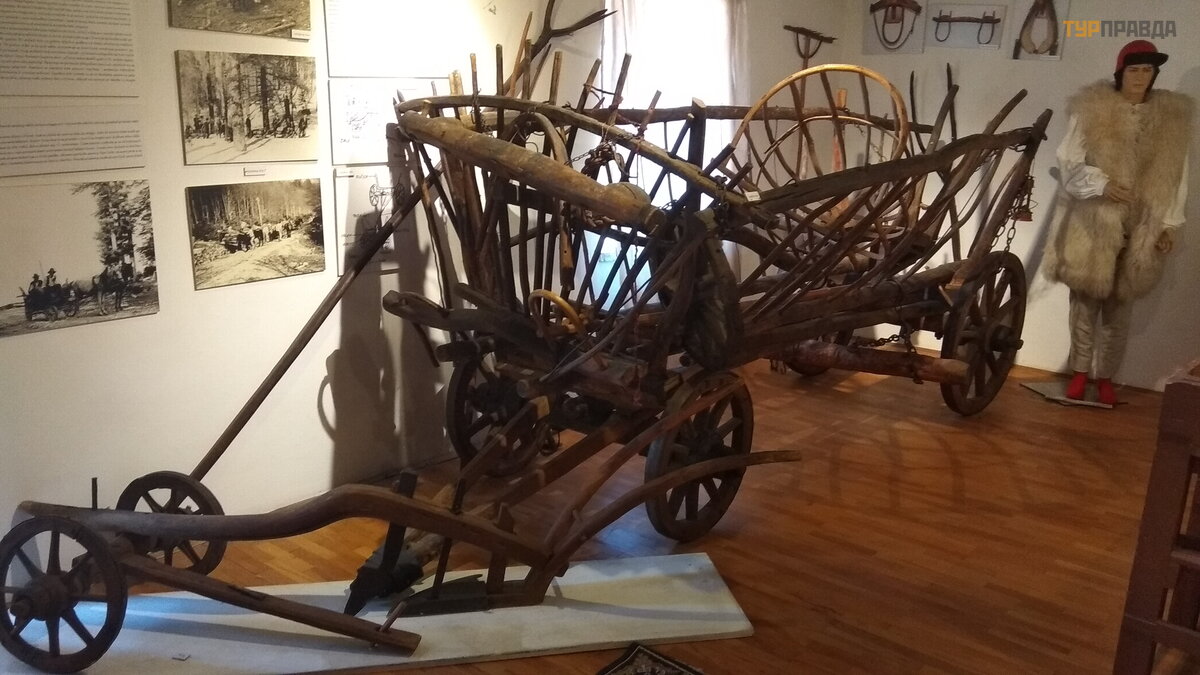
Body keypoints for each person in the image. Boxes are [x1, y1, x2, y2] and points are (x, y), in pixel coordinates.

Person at [1043, 40, 1193, 405]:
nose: (1141, 77)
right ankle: (1080, 373)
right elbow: (1069, 161)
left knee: (1119, 311)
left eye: (1147, 70)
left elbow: (1177, 176)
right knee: (1084, 305)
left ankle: (1105, 377)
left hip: (1140, 226)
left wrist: (1169, 224)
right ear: (1121, 72)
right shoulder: (1094, 110)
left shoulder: (1170, 120)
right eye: (1134, 70)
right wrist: (1102, 184)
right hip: (1094, 223)